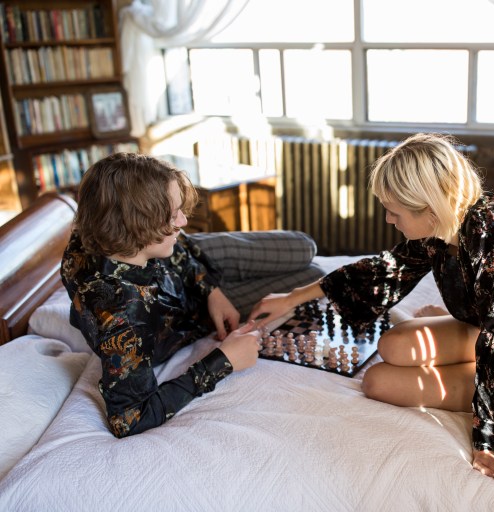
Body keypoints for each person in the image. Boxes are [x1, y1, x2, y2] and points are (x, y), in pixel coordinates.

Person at [249, 133, 494, 493]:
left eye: (394, 209)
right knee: (392, 347)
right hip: (492, 328)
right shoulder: (447, 224)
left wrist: (488, 444)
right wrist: (293, 297)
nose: (389, 219)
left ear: (430, 205)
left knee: (378, 383)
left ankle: (452, 343)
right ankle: (448, 337)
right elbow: (387, 269)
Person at [61, 152, 323, 438]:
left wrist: (212, 290)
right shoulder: (121, 315)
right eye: (174, 215)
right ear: (138, 225)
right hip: (187, 315)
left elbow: (177, 244)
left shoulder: (95, 228)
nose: (184, 220)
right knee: (312, 278)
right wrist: (223, 360)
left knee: (303, 247)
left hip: (183, 260)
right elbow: (129, 419)